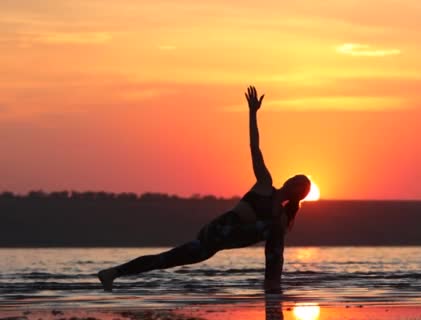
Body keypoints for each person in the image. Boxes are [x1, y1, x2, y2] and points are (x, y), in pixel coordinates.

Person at [97, 86, 311, 293]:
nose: (292, 179)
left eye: (298, 182)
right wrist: (252, 113)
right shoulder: (265, 184)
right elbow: (254, 148)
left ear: (298, 193)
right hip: (220, 229)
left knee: (166, 259)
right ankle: (272, 286)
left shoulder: (281, 218)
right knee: (272, 229)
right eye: (294, 177)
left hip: (223, 241)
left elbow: (275, 251)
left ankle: (112, 273)